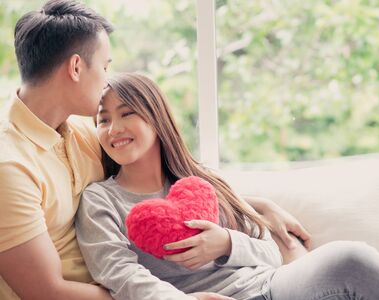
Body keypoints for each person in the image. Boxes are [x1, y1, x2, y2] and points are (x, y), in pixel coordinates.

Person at [0, 1, 309, 299]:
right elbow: (45, 292)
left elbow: (155, 184)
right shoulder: (9, 167)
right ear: (77, 67)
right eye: (105, 66)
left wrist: (258, 206)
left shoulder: (83, 133)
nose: (107, 80)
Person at [75, 72, 379, 300]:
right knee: (349, 260)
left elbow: (273, 251)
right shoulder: (101, 199)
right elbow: (118, 273)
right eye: (102, 120)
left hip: (272, 287)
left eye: (126, 113)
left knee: (349, 259)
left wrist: (226, 243)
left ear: (156, 117)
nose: (113, 129)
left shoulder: (200, 183)